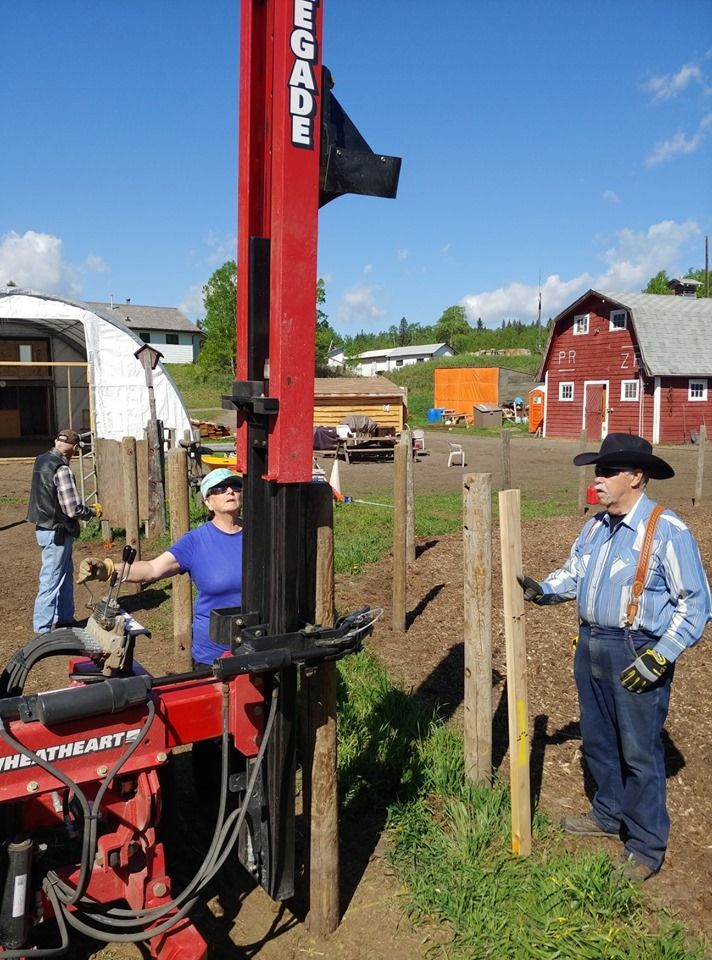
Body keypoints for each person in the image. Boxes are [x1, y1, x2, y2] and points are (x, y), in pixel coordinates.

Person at [518, 433, 711, 882]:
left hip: (636, 650)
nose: (597, 480)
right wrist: (543, 590)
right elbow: (575, 573)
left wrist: (660, 656)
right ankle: (609, 814)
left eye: (607, 472)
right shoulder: (596, 526)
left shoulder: (667, 530)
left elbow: (695, 603)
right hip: (590, 645)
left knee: (640, 752)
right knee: (600, 740)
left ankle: (645, 845)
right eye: (598, 471)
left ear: (636, 477)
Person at [78, 467, 243, 667]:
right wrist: (107, 569)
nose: (229, 491)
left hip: (256, 645)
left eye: (235, 486)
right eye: (219, 488)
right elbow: (152, 569)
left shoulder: (260, 533)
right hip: (213, 655)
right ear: (208, 502)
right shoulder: (196, 541)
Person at [26, 428, 102, 634]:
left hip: (43, 526)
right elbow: (72, 509)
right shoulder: (63, 469)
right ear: (76, 448)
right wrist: (92, 512)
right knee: (51, 579)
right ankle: (42, 629)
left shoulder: (41, 460)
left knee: (64, 574)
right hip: (57, 530)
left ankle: (65, 618)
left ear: (55, 441)